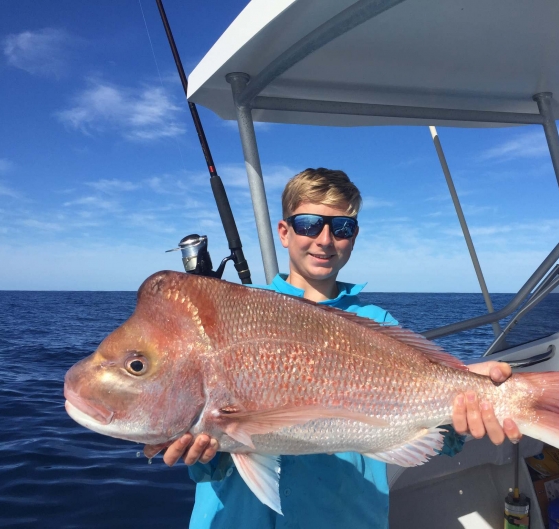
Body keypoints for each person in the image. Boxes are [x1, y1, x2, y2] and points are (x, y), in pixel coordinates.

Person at [145, 168, 521, 528]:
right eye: (309, 224)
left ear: (353, 238)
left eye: (342, 228)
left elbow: (436, 433)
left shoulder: (380, 324)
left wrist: (470, 408)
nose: (325, 239)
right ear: (284, 231)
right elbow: (210, 450)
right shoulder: (237, 310)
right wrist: (202, 452)